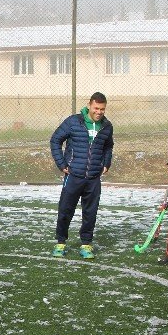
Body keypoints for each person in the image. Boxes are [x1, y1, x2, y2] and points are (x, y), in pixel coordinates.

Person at [49, 92, 114, 259]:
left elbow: (108, 146)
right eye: (96, 108)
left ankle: (86, 244)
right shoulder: (73, 122)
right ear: (89, 106)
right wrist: (62, 163)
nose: (99, 112)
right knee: (65, 210)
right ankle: (60, 242)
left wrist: (106, 163)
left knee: (90, 212)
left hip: (93, 178)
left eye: (102, 109)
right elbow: (55, 140)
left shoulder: (107, 126)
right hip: (73, 175)